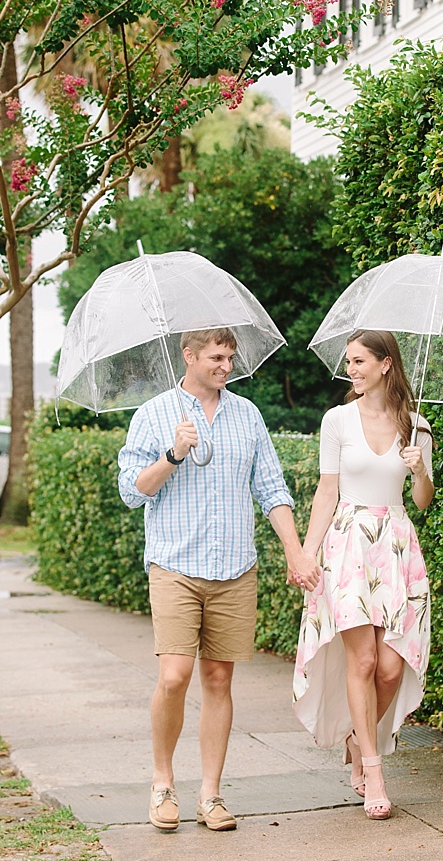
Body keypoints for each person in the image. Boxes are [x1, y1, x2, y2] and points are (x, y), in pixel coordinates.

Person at [118, 327, 320, 833]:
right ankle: (163, 782)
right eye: (216, 357)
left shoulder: (247, 415)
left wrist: (296, 552)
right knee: (174, 676)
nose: (226, 365)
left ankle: (210, 794)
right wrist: (172, 454)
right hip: (175, 565)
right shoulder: (154, 414)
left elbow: (272, 489)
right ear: (188, 356)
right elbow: (131, 490)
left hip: (234, 567)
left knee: (218, 678)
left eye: (230, 357)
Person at [292, 329, 434, 821]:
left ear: (385, 365)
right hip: (348, 543)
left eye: (359, 361)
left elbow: (423, 503)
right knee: (364, 661)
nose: (351, 369)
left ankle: (358, 736)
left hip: (396, 546)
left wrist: (420, 471)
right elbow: (326, 491)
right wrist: (306, 555)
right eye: (348, 361)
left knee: (392, 668)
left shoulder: (417, 426)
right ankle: (373, 770)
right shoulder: (337, 421)